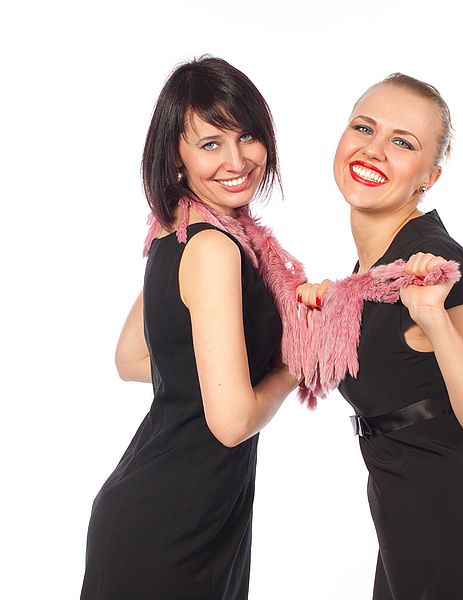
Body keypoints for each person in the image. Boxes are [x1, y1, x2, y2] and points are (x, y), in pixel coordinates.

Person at [297, 74, 463, 599]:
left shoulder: (437, 264)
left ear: (428, 177)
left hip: (461, 535)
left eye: (402, 142)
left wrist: (435, 319)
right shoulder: (372, 272)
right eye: (363, 127)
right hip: (405, 532)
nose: (374, 149)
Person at [81, 57, 297, 600]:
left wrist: (217, 362)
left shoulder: (174, 235)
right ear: (175, 158)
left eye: (247, 135)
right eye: (210, 143)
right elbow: (232, 423)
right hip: (177, 525)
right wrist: (295, 362)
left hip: (175, 511)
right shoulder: (213, 248)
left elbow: (132, 358)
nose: (236, 159)